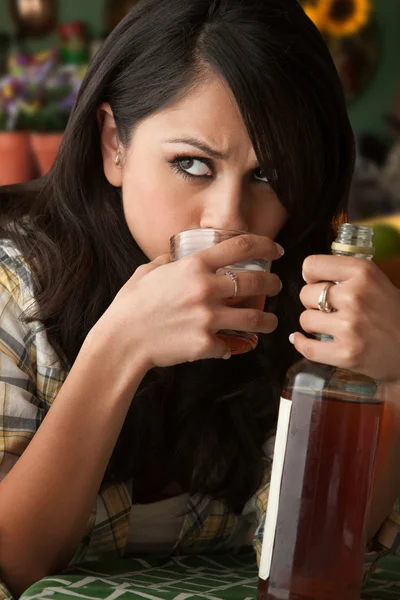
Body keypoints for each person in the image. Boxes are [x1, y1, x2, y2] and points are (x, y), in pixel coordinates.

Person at [1, 0, 400, 597]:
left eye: (267, 177)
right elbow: (12, 565)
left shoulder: (310, 305)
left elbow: (310, 561)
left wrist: (391, 382)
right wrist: (121, 345)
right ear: (115, 145)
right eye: (191, 164)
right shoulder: (14, 282)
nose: (228, 217)